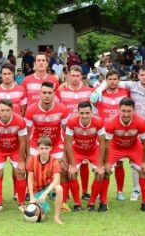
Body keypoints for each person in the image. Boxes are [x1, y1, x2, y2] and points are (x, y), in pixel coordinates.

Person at [93, 65, 145, 201]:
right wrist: (98, 90)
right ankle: (133, 190)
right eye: (142, 74)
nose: (144, 77)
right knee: (123, 163)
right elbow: (108, 81)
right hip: (121, 131)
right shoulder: (131, 86)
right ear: (138, 75)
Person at [25, 82, 71, 212]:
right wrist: (28, 155)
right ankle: (31, 197)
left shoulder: (62, 109)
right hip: (36, 143)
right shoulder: (31, 110)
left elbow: (67, 133)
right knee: (31, 170)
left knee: (63, 168)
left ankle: (62, 201)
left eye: (49, 93)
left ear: (54, 94)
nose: (46, 95)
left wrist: (65, 155)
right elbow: (27, 133)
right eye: (44, 93)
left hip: (56, 143)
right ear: (39, 94)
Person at [104, 97, 145, 211]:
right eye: (123, 111)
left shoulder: (141, 122)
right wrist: (105, 163)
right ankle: (103, 202)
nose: (126, 114)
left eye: (129, 111)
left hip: (134, 147)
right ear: (118, 110)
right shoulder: (111, 122)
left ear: (133, 110)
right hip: (115, 147)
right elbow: (106, 145)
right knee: (104, 171)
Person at [56, 65, 94, 200]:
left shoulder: (89, 91)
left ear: (82, 77)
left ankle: (84, 192)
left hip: (83, 132)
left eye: (78, 76)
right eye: (72, 75)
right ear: (68, 76)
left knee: (83, 162)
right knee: (66, 163)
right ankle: (65, 194)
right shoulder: (61, 91)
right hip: (66, 132)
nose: (75, 78)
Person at [93, 69, 130, 201]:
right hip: (103, 133)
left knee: (119, 163)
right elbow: (91, 103)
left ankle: (120, 191)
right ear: (106, 80)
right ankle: (98, 192)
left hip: (119, 134)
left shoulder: (125, 92)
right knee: (101, 163)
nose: (112, 81)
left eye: (115, 79)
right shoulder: (99, 93)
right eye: (110, 79)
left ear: (119, 80)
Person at [0, 99, 27, 213]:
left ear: (12, 110)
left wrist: (21, 161)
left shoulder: (20, 121)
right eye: (2, 110)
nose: (5, 113)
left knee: (19, 172)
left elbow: (23, 142)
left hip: (15, 148)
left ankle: (22, 203)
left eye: (8, 110)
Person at [65, 101, 106, 211]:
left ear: (91, 112)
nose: (84, 116)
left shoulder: (99, 122)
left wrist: (101, 165)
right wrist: (72, 165)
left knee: (100, 173)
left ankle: (91, 202)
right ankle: (77, 203)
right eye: (81, 113)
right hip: (77, 150)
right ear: (78, 112)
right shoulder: (71, 121)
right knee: (72, 173)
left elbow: (103, 143)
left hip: (93, 150)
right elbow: (68, 143)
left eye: (87, 113)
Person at [27, 136, 64, 225]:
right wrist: (31, 196)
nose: (44, 151)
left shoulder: (54, 161)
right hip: (38, 189)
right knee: (40, 215)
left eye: (46, 148)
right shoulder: (33, 159)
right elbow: (30, 178)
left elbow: (56, 180)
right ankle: (41, 205)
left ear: (51, 148)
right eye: (42, 148)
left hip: (50, 188)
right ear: (37, 149)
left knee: (59, 188)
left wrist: (45, 194)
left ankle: (56, 217)